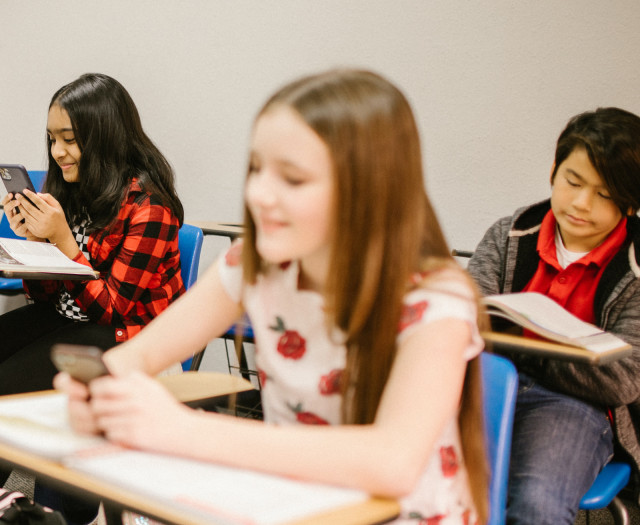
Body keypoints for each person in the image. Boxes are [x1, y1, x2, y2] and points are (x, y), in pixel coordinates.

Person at [57, 69, 490, 524]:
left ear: (370, 189)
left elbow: (393, 462)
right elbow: (138, 355)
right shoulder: (255, 265)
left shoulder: (437, 300)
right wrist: (98, 392)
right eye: (257, 169)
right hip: (291, 501)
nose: (259, 194)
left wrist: (183, 430)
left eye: (294, 179)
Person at [0, 73, 185, 520]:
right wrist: (35, 242)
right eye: (52, 139)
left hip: (130, 335)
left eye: (70, 139)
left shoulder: (150, 207)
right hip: (75, 319)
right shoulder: (71, 188)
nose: (57, 152)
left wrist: (65, 243)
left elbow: (114, 307)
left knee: (1, 389)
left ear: (103, 137)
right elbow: (47, 294)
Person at [467, 107, 640, 524]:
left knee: (535, 505)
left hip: (575, 405)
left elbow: (622, 379)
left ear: (631, 202)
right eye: (573, 182)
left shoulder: (636, 269)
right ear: (553, 171)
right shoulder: (510, 234)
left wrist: (527, 353)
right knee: (423, 481)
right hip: (484, 385)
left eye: (604, 194)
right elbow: (464, 323)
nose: (582, 204)